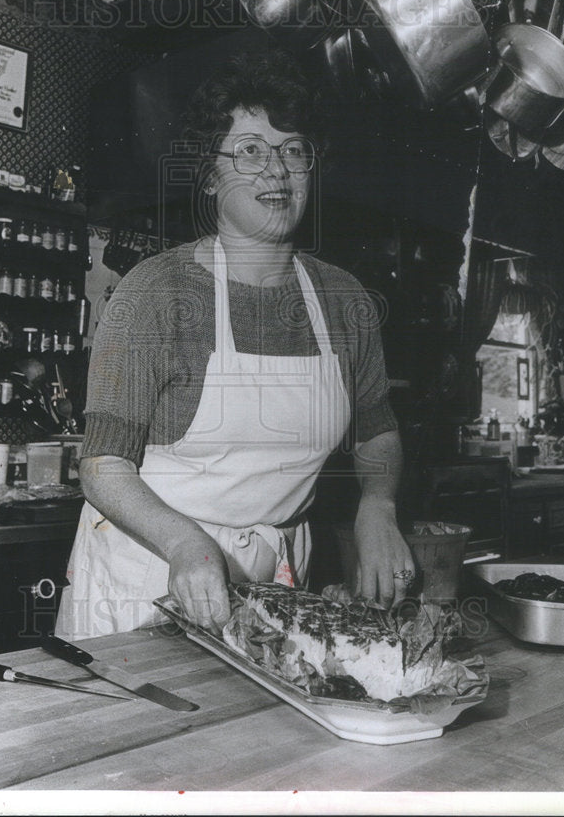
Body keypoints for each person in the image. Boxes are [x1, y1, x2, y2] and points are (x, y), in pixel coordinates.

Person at [55, 49, 415, 639]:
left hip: (273, 577)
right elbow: (102, 467)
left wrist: (379, 505)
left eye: (293, 149)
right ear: (210, 172)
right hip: (149, 567)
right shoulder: (157, 290)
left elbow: (377, 431)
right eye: (249, 149)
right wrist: (184, 543)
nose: (276, 171)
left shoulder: (344, 299)